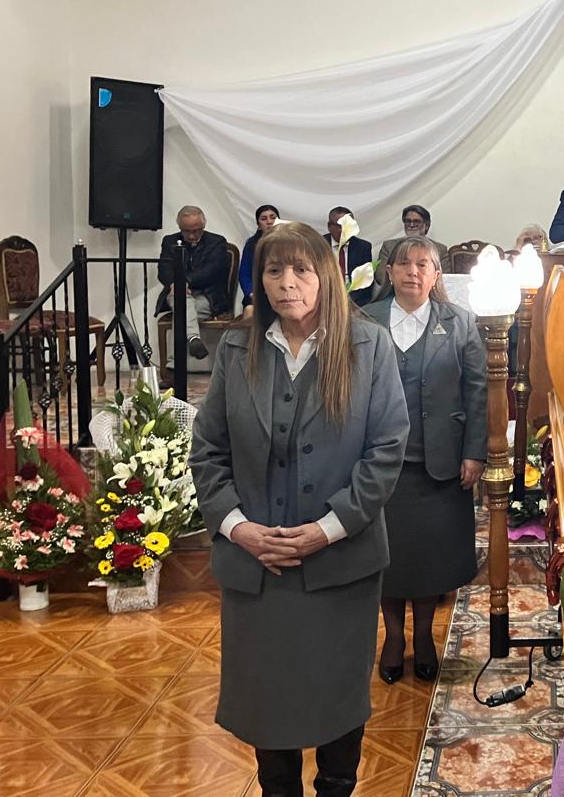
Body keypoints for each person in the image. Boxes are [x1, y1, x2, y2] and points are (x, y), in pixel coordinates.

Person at [189, 221, 410, 797]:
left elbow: (386, 451)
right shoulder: (236, 348)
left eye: (301, 270)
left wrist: (326, 529)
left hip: (339, 566)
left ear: (326, 276)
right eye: (273, 270)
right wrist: (238, 528)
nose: (287, 283)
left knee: (337, 699)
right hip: (256, 569)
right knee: (267, 703)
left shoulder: (368, 346)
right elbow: (208, 451)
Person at [361, 237, 487, 683]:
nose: (412, 271)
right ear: (389, 271)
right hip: (380, 463)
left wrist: (474, 451)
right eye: (404, 264)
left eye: (422, 264)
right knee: (387, 558)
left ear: (436, 275)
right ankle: (394, 637)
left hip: (442, 462)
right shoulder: (366, 320)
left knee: (432, 558)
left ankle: (425, 635)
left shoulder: (459, 321)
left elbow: (477, 390)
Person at [156, 204, 232, 361]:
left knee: (181, 313)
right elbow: (164, 269)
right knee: (181, 300)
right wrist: (175, 284)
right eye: (186, 231)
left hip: (208, 296)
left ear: (204, 225)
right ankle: (193, 338)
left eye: (196, 231)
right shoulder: (169, 241)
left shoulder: (217, 242)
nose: (191, 236)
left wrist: (185, 281)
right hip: (176, 292)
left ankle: (173, 367)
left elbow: (213, 270)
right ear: (179, 227)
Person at [373, 205, 449, 300]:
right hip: (393, 296)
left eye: (416, 221)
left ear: (426, 226)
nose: (411, 225)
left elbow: (444, 279)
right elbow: (380, 276)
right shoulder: (389, 246)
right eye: (408, 221)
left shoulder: (440, 249)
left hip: (429, 297)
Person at [324, 206, 374, 307]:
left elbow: (365, 282)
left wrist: (349, 301)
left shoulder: (363, 247)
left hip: (354, 302)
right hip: (325, 299)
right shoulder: (318, 245)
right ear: (329, 226)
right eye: (340, 226)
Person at [239, 204, 279, 315]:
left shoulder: (290, 243)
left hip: (280, 290)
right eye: (264, 219)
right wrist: (251, 292)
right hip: (258, 291)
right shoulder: (251, 245)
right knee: (250, 310)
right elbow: (244, 274)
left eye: (273, 217)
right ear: (259, 225)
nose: (269, 222)